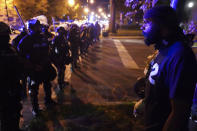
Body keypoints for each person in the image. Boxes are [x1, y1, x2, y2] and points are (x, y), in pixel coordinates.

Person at [142, 6, 197, 131]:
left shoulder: (180, 56)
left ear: (161, 24)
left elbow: (179, 113)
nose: (144, 27)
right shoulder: (164, 48)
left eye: (148, 22)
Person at [18, 19, 57, 116]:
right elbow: (21, 56)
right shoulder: (26, 40)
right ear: (31, 28)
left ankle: (48, 100)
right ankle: (35, 109)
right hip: (34, 69)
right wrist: (32, 66)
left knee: (47, 84)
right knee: (34, 89)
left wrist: (48, 61)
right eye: (36, 26)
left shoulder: (43, 38)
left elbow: (48, 51)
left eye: (39, 26)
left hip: (45, 66)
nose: (39, 27)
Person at [0, 22, 23, 131]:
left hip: (14, 87)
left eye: (7, 35)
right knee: (5, 117)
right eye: (4, 35)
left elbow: (20, 64)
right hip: (3, 91)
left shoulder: (12, 49)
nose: (8, 37)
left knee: (15, 112)